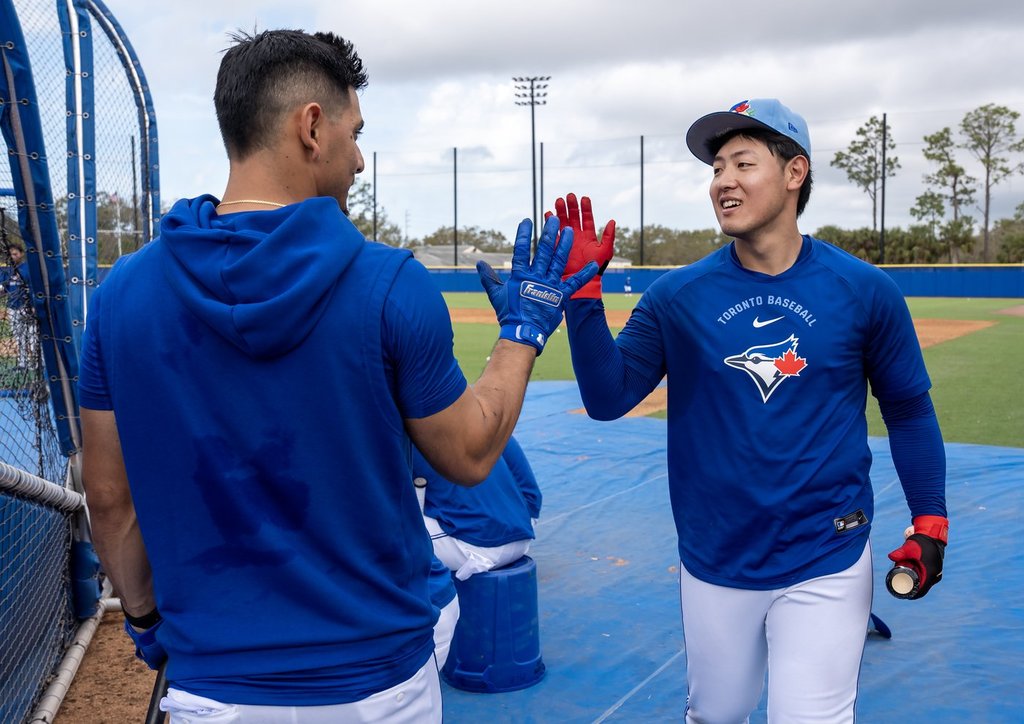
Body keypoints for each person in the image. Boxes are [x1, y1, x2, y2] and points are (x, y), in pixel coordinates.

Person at [77, 29, 594, 723]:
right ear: (311, 127)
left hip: (212, 686)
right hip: (376, 687)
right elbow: (469, 454)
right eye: (354, 134)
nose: (357, 160)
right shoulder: (390, 284)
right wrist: (522, 335)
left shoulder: (120, 296)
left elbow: (109, 499)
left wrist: (142, 619)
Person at [554, 98, 948, 722]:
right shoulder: (678, 296)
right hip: (716, 558)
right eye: (716, 168)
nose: (723, 181)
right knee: (718, 714)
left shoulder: (865, 291)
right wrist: (582, 299)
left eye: (743, 162)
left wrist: (931, 521)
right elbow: (607, 399)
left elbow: (907, 410)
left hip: (828, 552)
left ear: (796, 173)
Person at [416, 434, 541, 581]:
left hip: (478, 545)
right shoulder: (479, 416)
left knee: (390, 530)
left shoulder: (402, 428)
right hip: (524, 530)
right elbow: (532, 496)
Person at [1, 240, 33, 368]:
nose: (13, 257)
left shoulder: (27, 269)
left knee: (31, 335)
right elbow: (3, 289)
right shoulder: (7, 270)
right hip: (12, 307)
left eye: (15, 254)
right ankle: (22, 362)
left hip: (26, 306)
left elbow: (33, 287)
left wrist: (33, 306)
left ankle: (37, 363)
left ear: (21, 254)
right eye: (10, 255)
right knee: (18, 336)